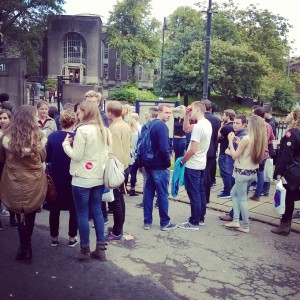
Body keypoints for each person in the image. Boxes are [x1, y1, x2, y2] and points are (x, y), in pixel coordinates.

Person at [63, 101, 111, 261]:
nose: (77, 115)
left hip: (81, 178)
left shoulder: (82, 130)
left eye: (79, 113)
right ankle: (101, 249)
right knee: (97, 210)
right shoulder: (105, 130)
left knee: (82, 213)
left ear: (86, 112)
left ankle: (84, 249)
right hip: (98, 177)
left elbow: (76, 155)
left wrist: (65, 144)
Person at [0, 105, 48, 263]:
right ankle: (27, 247)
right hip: (33, 182)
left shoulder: (6, 138)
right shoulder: (39, 137)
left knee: (19, 214)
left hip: (14, 180)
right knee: (31, 213)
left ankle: (24, 246)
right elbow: (43, 158)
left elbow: (2, 159)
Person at [224, 115, 267, 233]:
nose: (247, 125)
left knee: (242, 199)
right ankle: (235, 220)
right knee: (234, 193)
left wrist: (230, 142)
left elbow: (234, 155)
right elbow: (248, 151)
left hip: (241, 173)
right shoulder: (260, 139)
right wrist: (238, 141)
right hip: (252, 173)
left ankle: (246, 226)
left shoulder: (247, 138)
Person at [178, 101, 212, 230]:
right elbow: (185, 129)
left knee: (194, 193)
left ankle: (194, 221)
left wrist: (182, 161)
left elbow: (192, 150)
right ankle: (200, 218)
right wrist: (186, 115)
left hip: (193, 164)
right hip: (201, 163)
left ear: (197, 109)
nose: (190, 111)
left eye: (191, 109)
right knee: (200, 192)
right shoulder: (206, 123)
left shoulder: (198, 127)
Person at [46, 110, 78, 247]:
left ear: (60, 121)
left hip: (56, 177)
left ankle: (54, 237)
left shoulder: (52, 137)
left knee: (54, 208)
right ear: (75, 122)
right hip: (73, 177)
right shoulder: (78, 137)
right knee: (74, 209)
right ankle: (72, 238)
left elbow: (47, 157)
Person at [143, 104, 176, 231]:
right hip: (159, 166)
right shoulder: (162, 126)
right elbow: (164, 149)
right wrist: (168, 164)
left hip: (148, 164)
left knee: (148, 193)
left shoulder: (150, 124)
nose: (169, 115)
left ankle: (147, 222)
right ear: (160, 112)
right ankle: (164, 222)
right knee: (162, 194)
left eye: (170, 113)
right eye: (166, 112)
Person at [272, 107, 300, 236]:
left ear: (295, 117)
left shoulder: (292, 133)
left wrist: (279, 171)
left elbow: (286, 155)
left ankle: (284, 226)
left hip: (291, 172)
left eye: (290, 113)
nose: (287, 115)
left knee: (287, 198)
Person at [105, 100, 131, 241]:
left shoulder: (114, 129)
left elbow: (113, 153)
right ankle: (118, 227)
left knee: (115, 200)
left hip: (117, 168)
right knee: (119, 199)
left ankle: (116, 231)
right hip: (124, 166)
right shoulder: (125, 125)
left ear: (110, 113)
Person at [219, 115, 248, 221]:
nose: (234, 125)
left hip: (236, 168)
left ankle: (234, 215)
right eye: (234, 123)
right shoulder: (238, 134)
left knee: (236, 194)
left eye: (238, 123)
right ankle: (237, 215)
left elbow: (235, 154)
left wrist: (229, 146)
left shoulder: (242, 136)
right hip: (234, 167)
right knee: (238, 194)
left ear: (244, 125)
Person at [249, 107, 275, 201]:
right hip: (264, 153)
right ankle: (258, 194)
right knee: (260, 173)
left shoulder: (256, 125)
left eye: (253, 113)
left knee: (251, 172)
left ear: (256, 114)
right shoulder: (268, 125)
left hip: (256, 152)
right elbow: (272, 139)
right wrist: (265, 143)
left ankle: (251, 193)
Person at [135, 107, 159, 208]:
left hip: (148, 158)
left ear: (149, 116)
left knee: (147, 180)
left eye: (146, 116)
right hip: (157, 159)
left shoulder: (146, 126)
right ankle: (158, 201)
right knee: (157, 180)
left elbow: (142, 144)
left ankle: (146, 201)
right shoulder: (161, 125)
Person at [0, 109, 17, 229]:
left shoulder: (14, 133)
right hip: (1, 166)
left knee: (12, 194)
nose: (2, 121)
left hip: (11, 167)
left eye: (5, 118)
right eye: (0, 118)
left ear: (10, 119)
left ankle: (12, 219)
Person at [202, 100, 220, 204]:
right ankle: (207, 197)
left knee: (202, 174)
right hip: (212, 148)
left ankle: (202, 196)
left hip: (202, 149)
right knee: (207, 174)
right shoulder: (216, 119)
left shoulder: (201, 119)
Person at [217, 109, 235, 198]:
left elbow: (217, 137)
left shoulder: (226, 127)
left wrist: (221, 126)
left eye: (224, 115)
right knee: (230, 171)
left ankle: (227, 191)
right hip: (231, 151)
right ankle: (230, 189)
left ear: (227, 116)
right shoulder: (234, 126)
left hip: (224, 151)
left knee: (224, 172)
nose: (223, 117)